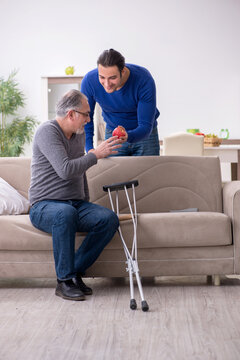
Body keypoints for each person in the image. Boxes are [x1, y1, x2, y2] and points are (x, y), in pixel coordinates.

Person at [29, 89, 122, 301]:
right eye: (86, 114)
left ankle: (75, 272)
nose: (89, 119)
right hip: (44, 206)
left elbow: (79, 173)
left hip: (74, 205)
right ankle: (64, 281)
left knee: (108, 219)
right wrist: (95, 154)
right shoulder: (47, 132)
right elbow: (65, 169)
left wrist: (85, 201)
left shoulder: (78, 135)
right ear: (71, 114)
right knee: (64, 213)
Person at [81, 48, 160, 156]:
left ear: (122, 71)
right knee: (113, 173)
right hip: (113, 134)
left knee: (148, 172)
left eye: (112, 78)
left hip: (145, 136)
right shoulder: (89, 81)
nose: (107, 84)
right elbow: (85, 118)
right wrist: (90, 149)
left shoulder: (143, 79)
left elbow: (145, 126)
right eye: (102, 77)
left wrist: (128, 136)